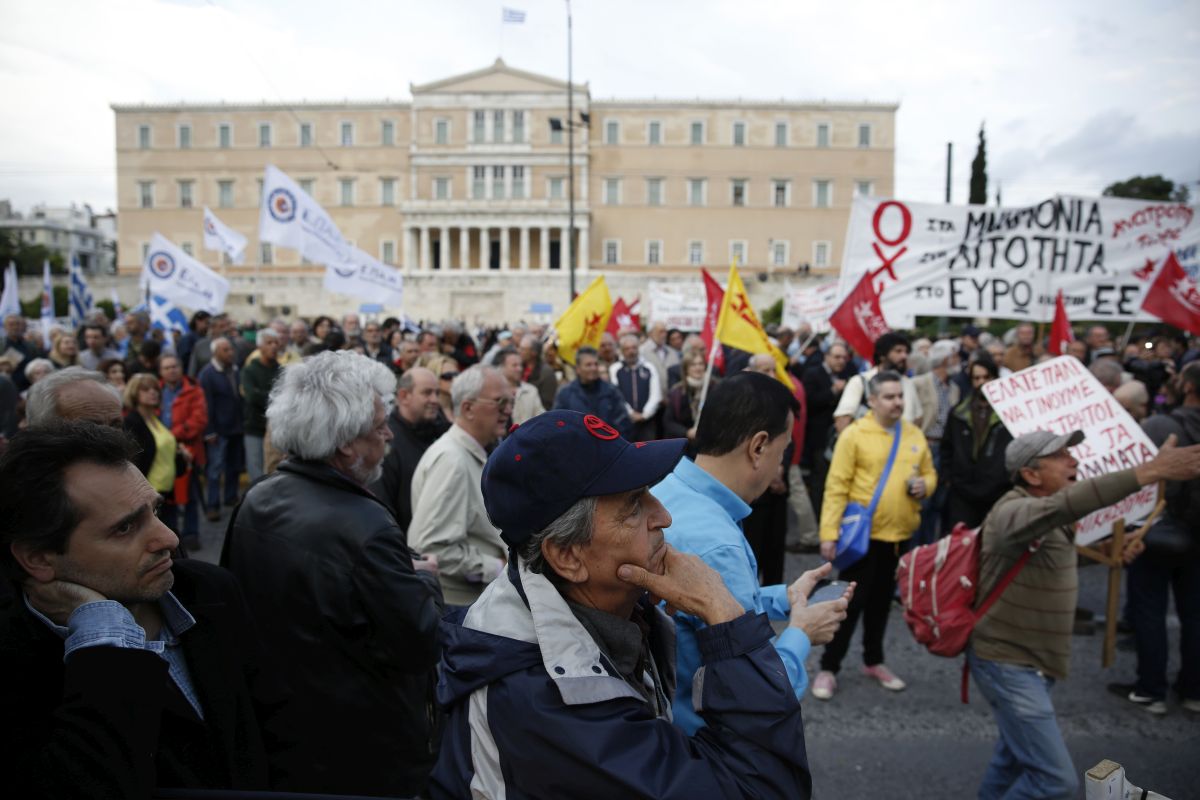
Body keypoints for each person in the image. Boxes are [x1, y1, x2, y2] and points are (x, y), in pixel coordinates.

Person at [429, 410, 816, 799]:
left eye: (650, 492)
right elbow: (763, 789)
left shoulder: (592, 605)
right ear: (568, 555)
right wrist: (724, 616)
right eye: (633, 505)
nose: (663, 516)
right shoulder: (547, 702)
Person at [0, 422, 282, 797]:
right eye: (125, 528)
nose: (169, 538)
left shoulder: (209, 590)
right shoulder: (12, 660)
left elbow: (280, 731)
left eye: (154, 510)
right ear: (38, 558)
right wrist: (103, 635)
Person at [221, 351, 444, 797]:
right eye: (379, 426)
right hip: (363, 746)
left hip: (282, 730)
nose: (387, 435)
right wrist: (423, 579)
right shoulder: (368, 526)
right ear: (345, 442)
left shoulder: (258, 497)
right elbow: (419, 640)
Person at [969, 428, 1200, 799]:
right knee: (1054, 781)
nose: (1074, 460)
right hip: (1009, 663)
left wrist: (1112, 547)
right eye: (1060, 455)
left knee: (1013, 757)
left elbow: (1055, 559)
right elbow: (1073, 503)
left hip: (1033, 661)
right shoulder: (1014, 511)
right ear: (1030, 475)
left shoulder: (1046, 516)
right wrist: (1150, 472)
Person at [653, 371, 852, 734]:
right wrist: (802, 633)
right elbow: (759, 692)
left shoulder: (667, 488)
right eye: (783, 450)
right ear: (759, 447)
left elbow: (702, 605)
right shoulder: (718, 544)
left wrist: (783, 598)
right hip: (705, 745)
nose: (781, 465)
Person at [814, 370, 936, 700]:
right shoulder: (854, 434)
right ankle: (828, 667)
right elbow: (836, 486)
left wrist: (927, 485)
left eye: (900, 396)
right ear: (872, 400)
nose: (897, 402)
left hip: (898, 538)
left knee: (881, 604)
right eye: (889, 396)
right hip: (862, 539)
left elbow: (929, 472)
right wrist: (828, 533)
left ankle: (874, 660)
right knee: (848, 605)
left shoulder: (914, 434)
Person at [1109, 361, 1200, 715]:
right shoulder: (1162, 422)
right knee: (1194, 614)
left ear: (1188, 388)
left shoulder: (1161, 425)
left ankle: (1152, 689)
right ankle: (1193, 690)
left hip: (1155, 533)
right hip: (1195, 537)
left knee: (1149, 610)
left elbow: (1134, 479)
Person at [408, 365, 513, 606]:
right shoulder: (452, 460)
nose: (507, 410)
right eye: (499, 402)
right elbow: (431, 549)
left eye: (510, 402)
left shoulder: (467, 453)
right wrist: (498, 567)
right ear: (468, 408)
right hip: (459, 608)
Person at [369, 366, 450, 531]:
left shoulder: (440, 431)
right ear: (404, 396)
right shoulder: (387, 442)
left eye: (437, 393)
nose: (435, 400)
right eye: (427, 393)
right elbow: (383, 505)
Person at [942, 353, 1012, 531]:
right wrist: (950, 477)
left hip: (998, 491)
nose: (981, 382)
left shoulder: (1010, 413)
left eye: (986, 377)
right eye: (976, 378)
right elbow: (947, 447)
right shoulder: (958, 413)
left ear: (995, 378)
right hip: (963, 492)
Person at [910, 340, 961, 544]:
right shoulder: (920, 383)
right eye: (955, 356)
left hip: (945, 448)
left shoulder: (955, 388)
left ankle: (927, 550)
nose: (959, 360)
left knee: (938, 503)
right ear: (945, 359)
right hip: (925, 445)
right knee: (922, 502)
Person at [122, 373, 184, 533]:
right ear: (134, 393)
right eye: (146, 389)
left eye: (156, 389)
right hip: (149, 493)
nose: (153, 392)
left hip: (167, 491)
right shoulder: (132, 422)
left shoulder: (156, 419)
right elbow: (133, 460)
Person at [159, 354, 207, 550]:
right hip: (162, 452)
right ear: (161, 372)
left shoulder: (194, 390)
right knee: (166, 496)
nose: (171, 370)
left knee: (189, 495)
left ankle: (191, 533)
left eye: (174, 366)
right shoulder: (156, 390)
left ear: (181, 368)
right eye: (167, 367)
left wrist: (172, 435)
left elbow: (199, 420)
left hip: (186, 449)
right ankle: (170, 535)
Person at [832, 332, 923, 433]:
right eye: (898, 351)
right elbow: (843, 419)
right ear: (882, 356)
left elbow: (917, 419)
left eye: (906, 352)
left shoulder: (908, 384)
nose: (904, 356)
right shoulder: (860, 381)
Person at [197, 337, 243, 521]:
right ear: (215, 352)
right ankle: (212, 504)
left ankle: (230, 496)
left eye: (230, 349)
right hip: (218, 429)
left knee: (234, 466)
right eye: (225, 350)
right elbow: (205, 404)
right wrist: (209, 430)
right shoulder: (207, 374)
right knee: (215, 469)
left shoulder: (235, 369)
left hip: (236, 426)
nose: (230, 352)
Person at [554, 346, 632, 437]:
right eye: (588, 365)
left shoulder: (611, 391)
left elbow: (623, 422)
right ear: (578, 369)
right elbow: (558, 424)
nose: (593, 368)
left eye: (596, 364)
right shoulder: (565, 394)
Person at [240, 329, 281, 481]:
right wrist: (274, 397)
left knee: (273, 470)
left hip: (276, 430)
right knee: (256, 472)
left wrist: (262, 394)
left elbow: (285, 397)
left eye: (276, 342)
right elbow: (251, 396)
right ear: (260, 347)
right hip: (254, 428)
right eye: (269, 342)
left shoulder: (281, 370)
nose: (274, 346)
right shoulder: (250, 370)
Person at [611, 332, 662, 441]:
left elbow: (656, 394)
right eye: (627, 349)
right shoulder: (615, 369)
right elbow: (616, 395)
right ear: (622, 351)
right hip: (624, 421)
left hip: (647, 422)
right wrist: (630, 413)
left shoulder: (649, 367)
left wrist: (645, 414)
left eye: (634, 348)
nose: (631, 351)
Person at [663, 348, 709, 454]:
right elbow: (669, 421)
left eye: (700, 364)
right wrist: (687, 432)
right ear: (686, 368)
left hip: (709, 447)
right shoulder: (677, 392)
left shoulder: (715, 387)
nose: (698, 368)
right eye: (693, 365)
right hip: (685, 448)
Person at [493, 346, 545, 425]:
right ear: (501, 367)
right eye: (514, 365)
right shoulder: (493, 391)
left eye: (521, 365)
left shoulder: (531, 390)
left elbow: (541, 418)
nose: (519, 369)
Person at [520, 333, 558, 410]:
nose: (519, 351)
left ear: (534, 352)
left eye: (523, 349)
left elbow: (547, 404)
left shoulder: (546, 373)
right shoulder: (519, 367)